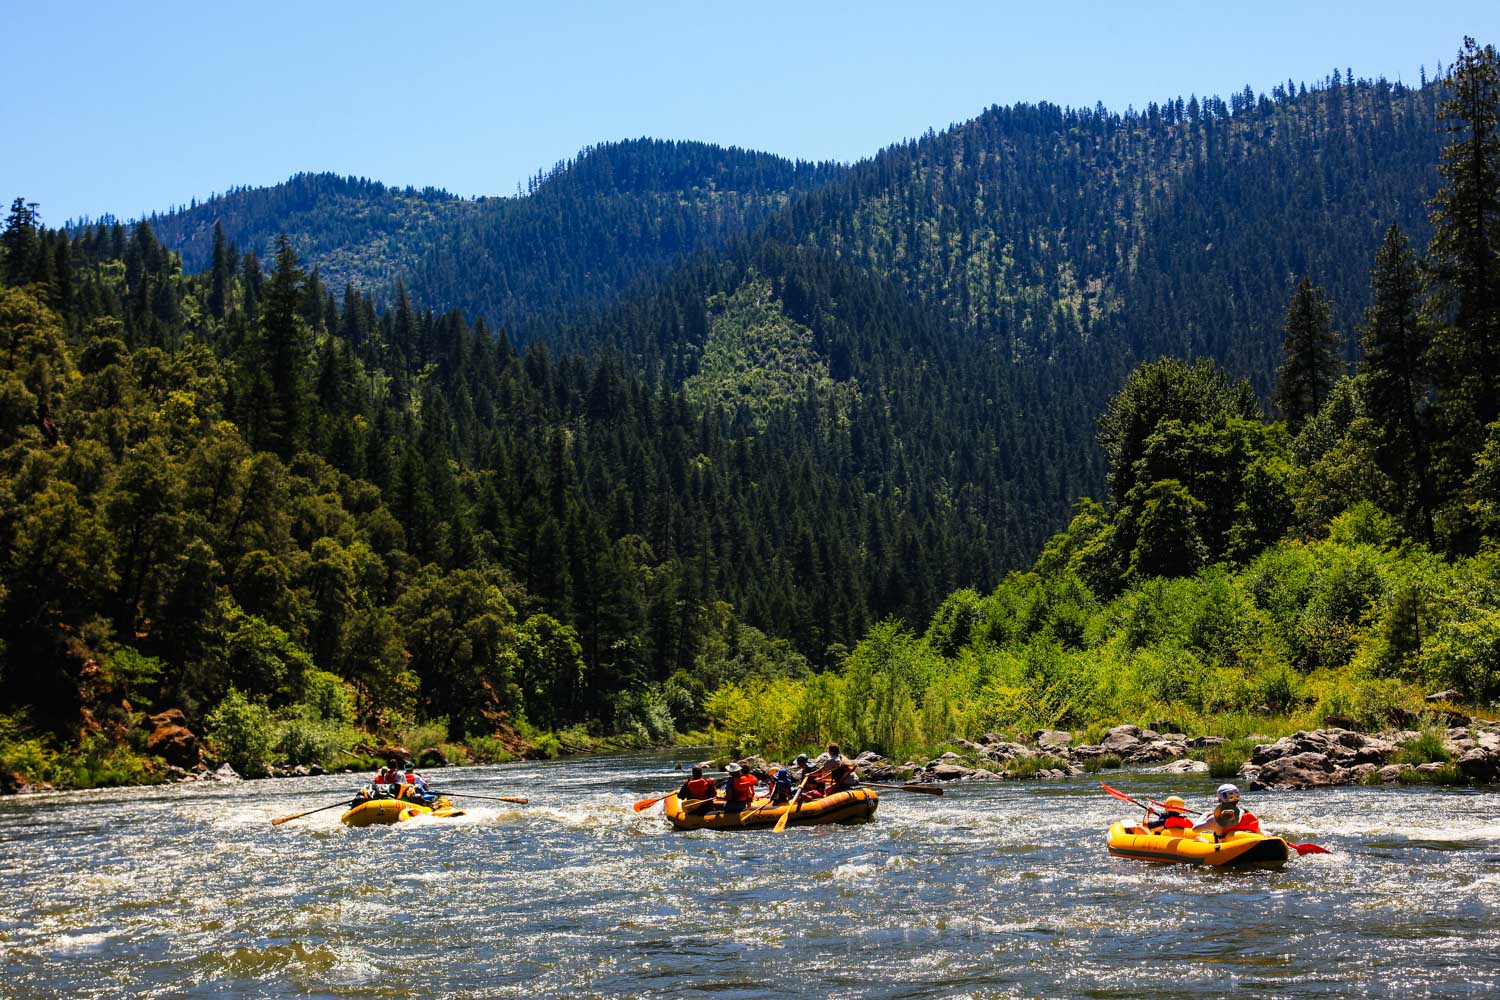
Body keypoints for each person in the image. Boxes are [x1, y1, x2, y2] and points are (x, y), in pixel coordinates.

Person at [1194, 783, 1258, 836]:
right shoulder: (1247, 813)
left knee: (1198, 837)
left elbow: (1195, 829)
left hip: (1225, 846)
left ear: (1219, 799)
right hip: (1247, 842)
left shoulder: (1215, 819)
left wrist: (1204, 815)